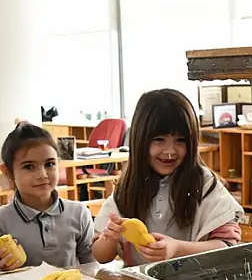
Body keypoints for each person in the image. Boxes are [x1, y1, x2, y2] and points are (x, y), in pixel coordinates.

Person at [93, 89, 243, 265]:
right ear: (139, 139)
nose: (170, 151)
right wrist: (109, 238)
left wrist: (177, 248)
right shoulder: (129, 187)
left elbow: (228, 247)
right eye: (159, 139)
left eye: (181, 140)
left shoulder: (204, 183)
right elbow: (100, 256)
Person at [0, 123, 95, 271]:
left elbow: (90, 266)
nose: (43, 175)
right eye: (29, 167)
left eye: (49, 164)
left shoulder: (79, 213)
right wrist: (2, 269)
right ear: (8, 172)